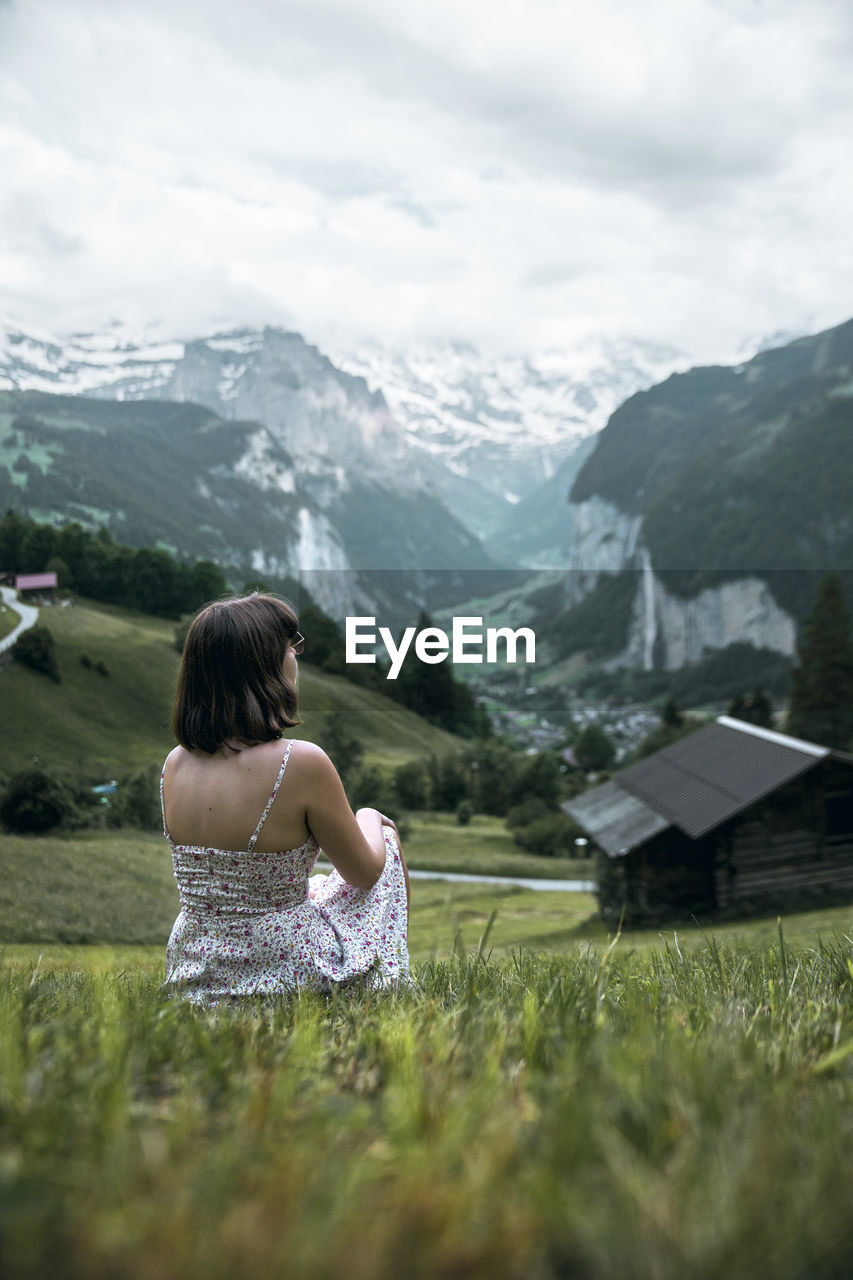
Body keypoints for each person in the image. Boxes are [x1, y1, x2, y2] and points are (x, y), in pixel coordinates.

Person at [160, 592, 411, 1004]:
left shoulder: (175, 764)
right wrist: (369, 816)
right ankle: (389, 982)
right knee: (384, 841)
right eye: (288, 646)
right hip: (285, 968)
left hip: (193, 969)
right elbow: (364, 874)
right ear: (263, 667)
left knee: (311, 888)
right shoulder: (300, 762)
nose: (295, 656)